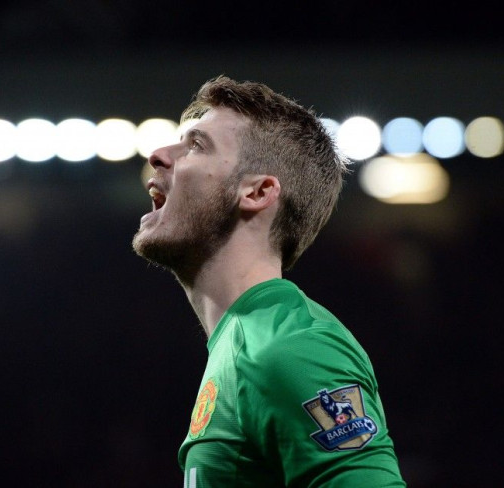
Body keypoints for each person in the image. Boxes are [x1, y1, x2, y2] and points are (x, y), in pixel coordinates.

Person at [132, 75, 405, 487]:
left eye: (196, 145)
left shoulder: (293, 347)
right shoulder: (243, 342)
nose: (158, 154)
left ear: (257, 192)